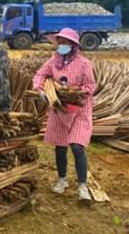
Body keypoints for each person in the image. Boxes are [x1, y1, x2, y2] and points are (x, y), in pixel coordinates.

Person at [33, 28, 95, 201]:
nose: (62, 46)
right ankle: (62, 180)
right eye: (60, 42)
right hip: (59, 109)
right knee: (60, 148)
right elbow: (39, 75)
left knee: (77, 147)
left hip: (79, 109)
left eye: (65, 43)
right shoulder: (54, 60)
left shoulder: (84, 64)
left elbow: (90, 85)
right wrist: (41, 91)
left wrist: (77, 93)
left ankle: (82, 185)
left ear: (73, 45)